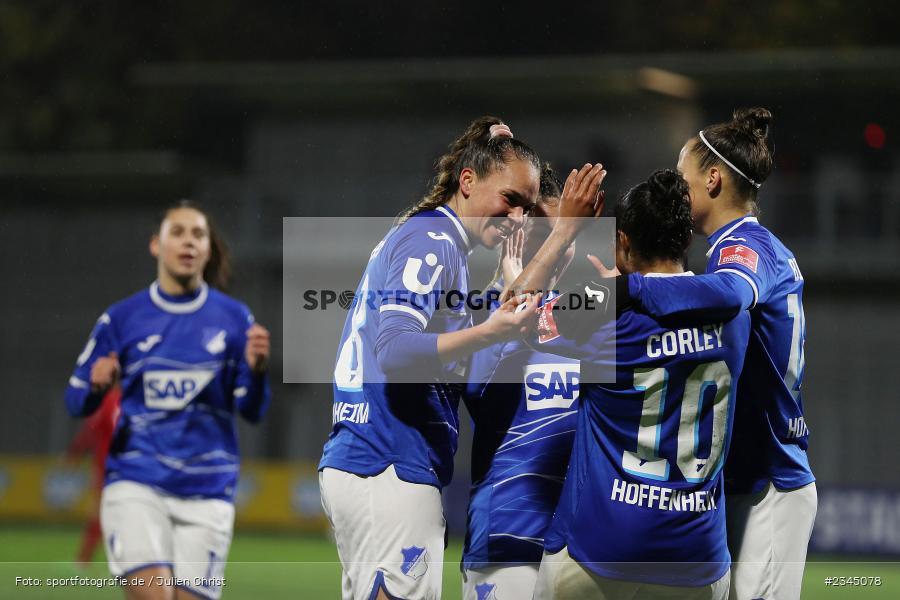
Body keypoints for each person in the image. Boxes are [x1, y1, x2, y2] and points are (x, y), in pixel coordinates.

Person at [317, 117, 605, 600]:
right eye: (511, 202)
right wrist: (492, 326)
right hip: (388, 458)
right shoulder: (432, 239)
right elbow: (396, 348)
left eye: (526, 208)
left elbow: (476, 327)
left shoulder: (441, 244)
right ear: (467, 181)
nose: (517, 219)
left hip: (384, 458)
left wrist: (498, 297)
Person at [620, 109, 816, 599]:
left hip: (771, 481)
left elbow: (729, 294)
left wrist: (629, 289)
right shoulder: (737, 247)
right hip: (747, 478)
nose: (675, 187)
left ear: (712, 180)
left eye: (681, 176)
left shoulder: (746, 247)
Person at [531, 169, 751, 599]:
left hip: (603, 548)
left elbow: (517, 313)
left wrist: (568, 243)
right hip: (697, 555)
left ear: (624, 242)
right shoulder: (735, 318)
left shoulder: (607, 315)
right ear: (685, 241)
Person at [64, 201, 272, 600]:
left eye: (198, 234)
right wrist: (94, 386)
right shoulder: (121, 318)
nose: (188, 242)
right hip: (137, 482)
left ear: (208, 250)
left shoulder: (235, 319)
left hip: (209, 489)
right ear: (156, 245)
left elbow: (252, 410)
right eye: (177, 232)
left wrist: (258, 371)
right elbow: (75, 403)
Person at [462, 166, 580, 600]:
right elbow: (481, 396)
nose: (560, 247)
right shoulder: (479, 312)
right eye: (548, 233)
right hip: (508, 535)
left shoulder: (580, 315)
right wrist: (512, 294)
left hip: (575, 542)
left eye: (566, 235)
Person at [65, 385, 121, 567]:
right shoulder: (138, 400)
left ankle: (83, 560)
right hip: (133, 466)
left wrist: (74, 454)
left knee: (99, 512)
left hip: (107, 466)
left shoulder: (108, 401)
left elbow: (90, 432)